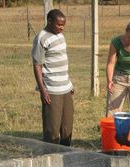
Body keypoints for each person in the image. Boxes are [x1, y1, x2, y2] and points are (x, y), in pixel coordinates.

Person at [31, 9, 74, 146]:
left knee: (67, 128)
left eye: (63, 25)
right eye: (59, 25)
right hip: (52, 90)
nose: (62, 28)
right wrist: (43, 90)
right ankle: (50, 158)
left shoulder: (60, 36)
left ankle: (66, 158)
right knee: (52, 130)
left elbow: (62, 60)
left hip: (66, 88)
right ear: (49, 21)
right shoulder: (41, 38)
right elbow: (37, 65)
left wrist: (70, 83)